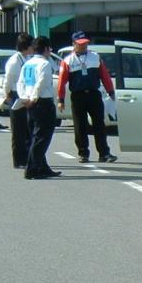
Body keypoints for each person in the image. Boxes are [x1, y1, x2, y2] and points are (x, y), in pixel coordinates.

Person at [57, 31, 117, 163]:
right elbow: (61, 81)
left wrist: (110, 91)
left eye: (85, 44)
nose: (83, 46)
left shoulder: (95, 57)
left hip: (94, 94)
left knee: (99, 124)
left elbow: (104, 75)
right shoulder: (68, 61)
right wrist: (60, 99)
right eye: (80, 44)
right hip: (78, 96)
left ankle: (104, 153)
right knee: (80, 125)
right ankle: (83, 153)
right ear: (74, 44)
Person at [18, 36, 61, 180]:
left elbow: (21, 83)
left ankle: (43, 166)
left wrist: (25, 98)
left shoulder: (27, 64)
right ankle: (32, 168)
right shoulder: (44, 64)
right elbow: (42, 83)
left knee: (35, 135)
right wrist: (34, 98)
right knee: (42, 137)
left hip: (30, 102)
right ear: (47, 49)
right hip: (42, 102)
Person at [4, 33, 34, 169]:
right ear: (26, 47)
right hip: (16, 94)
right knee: (18, 130)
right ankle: (18, 159)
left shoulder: (26, 58)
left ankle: (27, 156)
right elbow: (8, 80)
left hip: (25, 94)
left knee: (26, 128)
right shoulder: (15, 61)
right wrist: (7, 94)